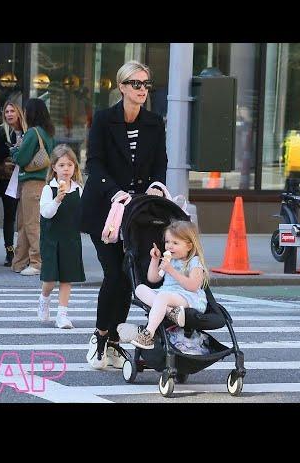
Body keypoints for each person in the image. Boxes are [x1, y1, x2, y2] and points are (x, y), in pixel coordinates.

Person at [80, 60, 167, 369]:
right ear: (121, 87)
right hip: (104, 209)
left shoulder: (154, 122)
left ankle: (115, 340)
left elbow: (160, 163)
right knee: (114, 273)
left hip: (137, 214)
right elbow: (95, 163)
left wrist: (156, 186)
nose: (142, 89)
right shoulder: (104, 120)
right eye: (135, 84)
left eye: (145, 84)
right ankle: (101, 335)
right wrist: (115, 190)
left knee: (130, 278)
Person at [122, 220, 209, 350]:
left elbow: (193, 286)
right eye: (167, 242)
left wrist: (171, 271)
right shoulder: (169, 260)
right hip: (167, 294)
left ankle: (148, 334)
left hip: (188, 296)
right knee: (140, 289)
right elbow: (153, 278)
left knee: (163, 297)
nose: (169, 246)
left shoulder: (193, 262)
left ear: (189, 246)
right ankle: (170, 312)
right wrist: (155, 260)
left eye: (175, 243)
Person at [37, 144, 85, 329]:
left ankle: (62, 315)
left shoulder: (78, 189)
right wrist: (58, 199)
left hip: (70, 239)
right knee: (50, 279)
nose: (66, 169)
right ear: (54, 168)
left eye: (70, 165)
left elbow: (82, 212)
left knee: (67, 278)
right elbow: (46, 213)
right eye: (62, 165)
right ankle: (44, 298)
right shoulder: (49, 189)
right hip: (51, 239)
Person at [10, 98, 54, 276]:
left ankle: (37, 263)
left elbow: (21, 159)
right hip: (43, 183)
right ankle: (19, 262)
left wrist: (14, 152)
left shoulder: (32, 133)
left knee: (30, 224)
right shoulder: (47, 133)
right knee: (25, 223)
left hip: (32, 184)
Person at [0, 101, 27, 266]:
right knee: (10, 215)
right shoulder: (0, 132)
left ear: (19, 113)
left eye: (12, 111)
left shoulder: (28, 131)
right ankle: (9, 251)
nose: (9, 114)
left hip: (25, 179)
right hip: (7, 180)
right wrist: (12, 151)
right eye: (6, 112)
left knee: (26, 217)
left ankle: (25, 251)